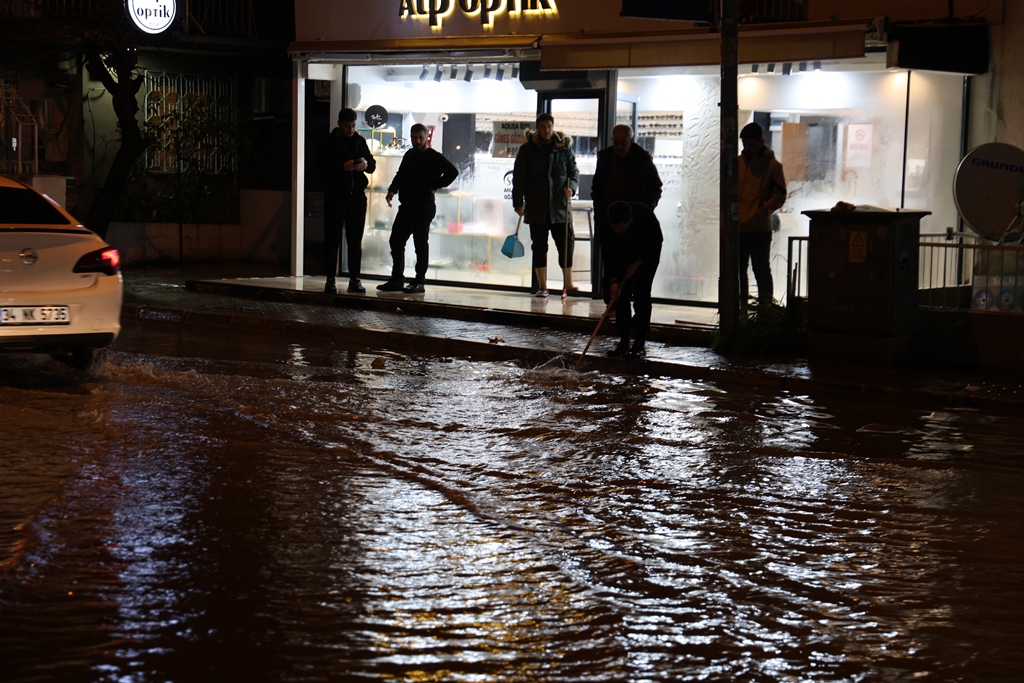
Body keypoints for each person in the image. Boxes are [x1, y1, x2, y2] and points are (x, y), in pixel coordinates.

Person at [376, 123, 459, 294]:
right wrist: (392, 190)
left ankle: (419, 281)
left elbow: (452, 172)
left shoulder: (434, 157)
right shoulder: (410, 155)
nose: (417, 141)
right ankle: (397, 278)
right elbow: (401, 174)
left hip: (423, 205)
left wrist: (436, 185)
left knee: (420, 243)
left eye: (420, 138)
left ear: (426, 137)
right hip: (407, 205)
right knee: (396, 240)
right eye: (414, 138)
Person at [511, 113, 580, 297]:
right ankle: (542, 285)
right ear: (537, 128)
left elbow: (574, 172)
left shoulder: (564, 148)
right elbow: (519, 178)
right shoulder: (527, 149)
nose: (546, 130)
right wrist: (518, 202)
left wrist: (572, 189)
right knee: (539, 246)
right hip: (536, 206)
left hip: (560, 206)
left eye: (549, 127)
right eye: (542, 127)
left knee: (566, 245)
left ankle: (568, 284)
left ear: (553, 127)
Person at [316, 108, 376, 294]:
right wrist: (342, 167)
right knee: (332, 239)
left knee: (355, 240)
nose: (351, 130)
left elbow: (372, 164)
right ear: (339, 124)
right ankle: (330, 279)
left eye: (353, 126)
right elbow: (319, 167)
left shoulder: (360, 141)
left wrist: (366, 164)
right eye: (347, 126)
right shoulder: (328, 142)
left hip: (356, 197)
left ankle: (354, 279)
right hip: (335, 196)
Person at [602, 201, 663, 360]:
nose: (616, 231)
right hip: (622, 255)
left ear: (630, 220)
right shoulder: (606, 223)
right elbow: (607, 253)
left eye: (620, 228)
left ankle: (640, 340)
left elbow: (656, 241)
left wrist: (638, 263)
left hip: (646, 255)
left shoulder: (645, 216)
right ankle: (624, 339)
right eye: (614, 227)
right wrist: (613, 280)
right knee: (620, 296)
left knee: (641, 293)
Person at [738, 121, 787, 306]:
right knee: (740, 271)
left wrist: (761, 211)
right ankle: (742, 309)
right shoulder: (739, 163)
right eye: (745, 145)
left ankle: (764, 311)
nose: (747, 149)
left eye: (751, 145)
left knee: (760, 270)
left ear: (761, 142)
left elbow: (780, 196)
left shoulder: (773, 166)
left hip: (759, 228)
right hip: (741, 226)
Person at [591, 123, 662, 218]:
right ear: (612, 140)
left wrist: (645, 209)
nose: (619, 147)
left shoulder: (643, 159)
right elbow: (597, 188)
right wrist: (599, 213)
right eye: (616, 142)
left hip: (636, 217)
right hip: (608, 215)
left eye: (623, 142)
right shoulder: (605, 158)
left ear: (631, 140)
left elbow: (655, 186)